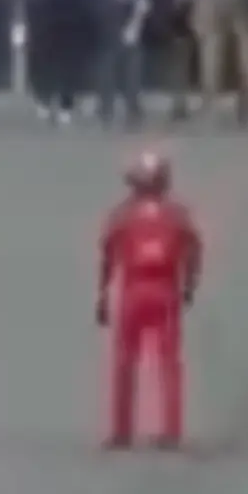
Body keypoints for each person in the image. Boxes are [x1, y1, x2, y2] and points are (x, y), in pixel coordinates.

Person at [97, 150, 200, 450]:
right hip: (165, 289)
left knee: (124, 362)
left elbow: (107, 254)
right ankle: (171, 430)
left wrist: (103, 294)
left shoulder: (122, 214)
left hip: (133, 290)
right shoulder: (177, 214)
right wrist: (190, 285)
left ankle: (121, 430)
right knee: (169, 363)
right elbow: (194, 250)